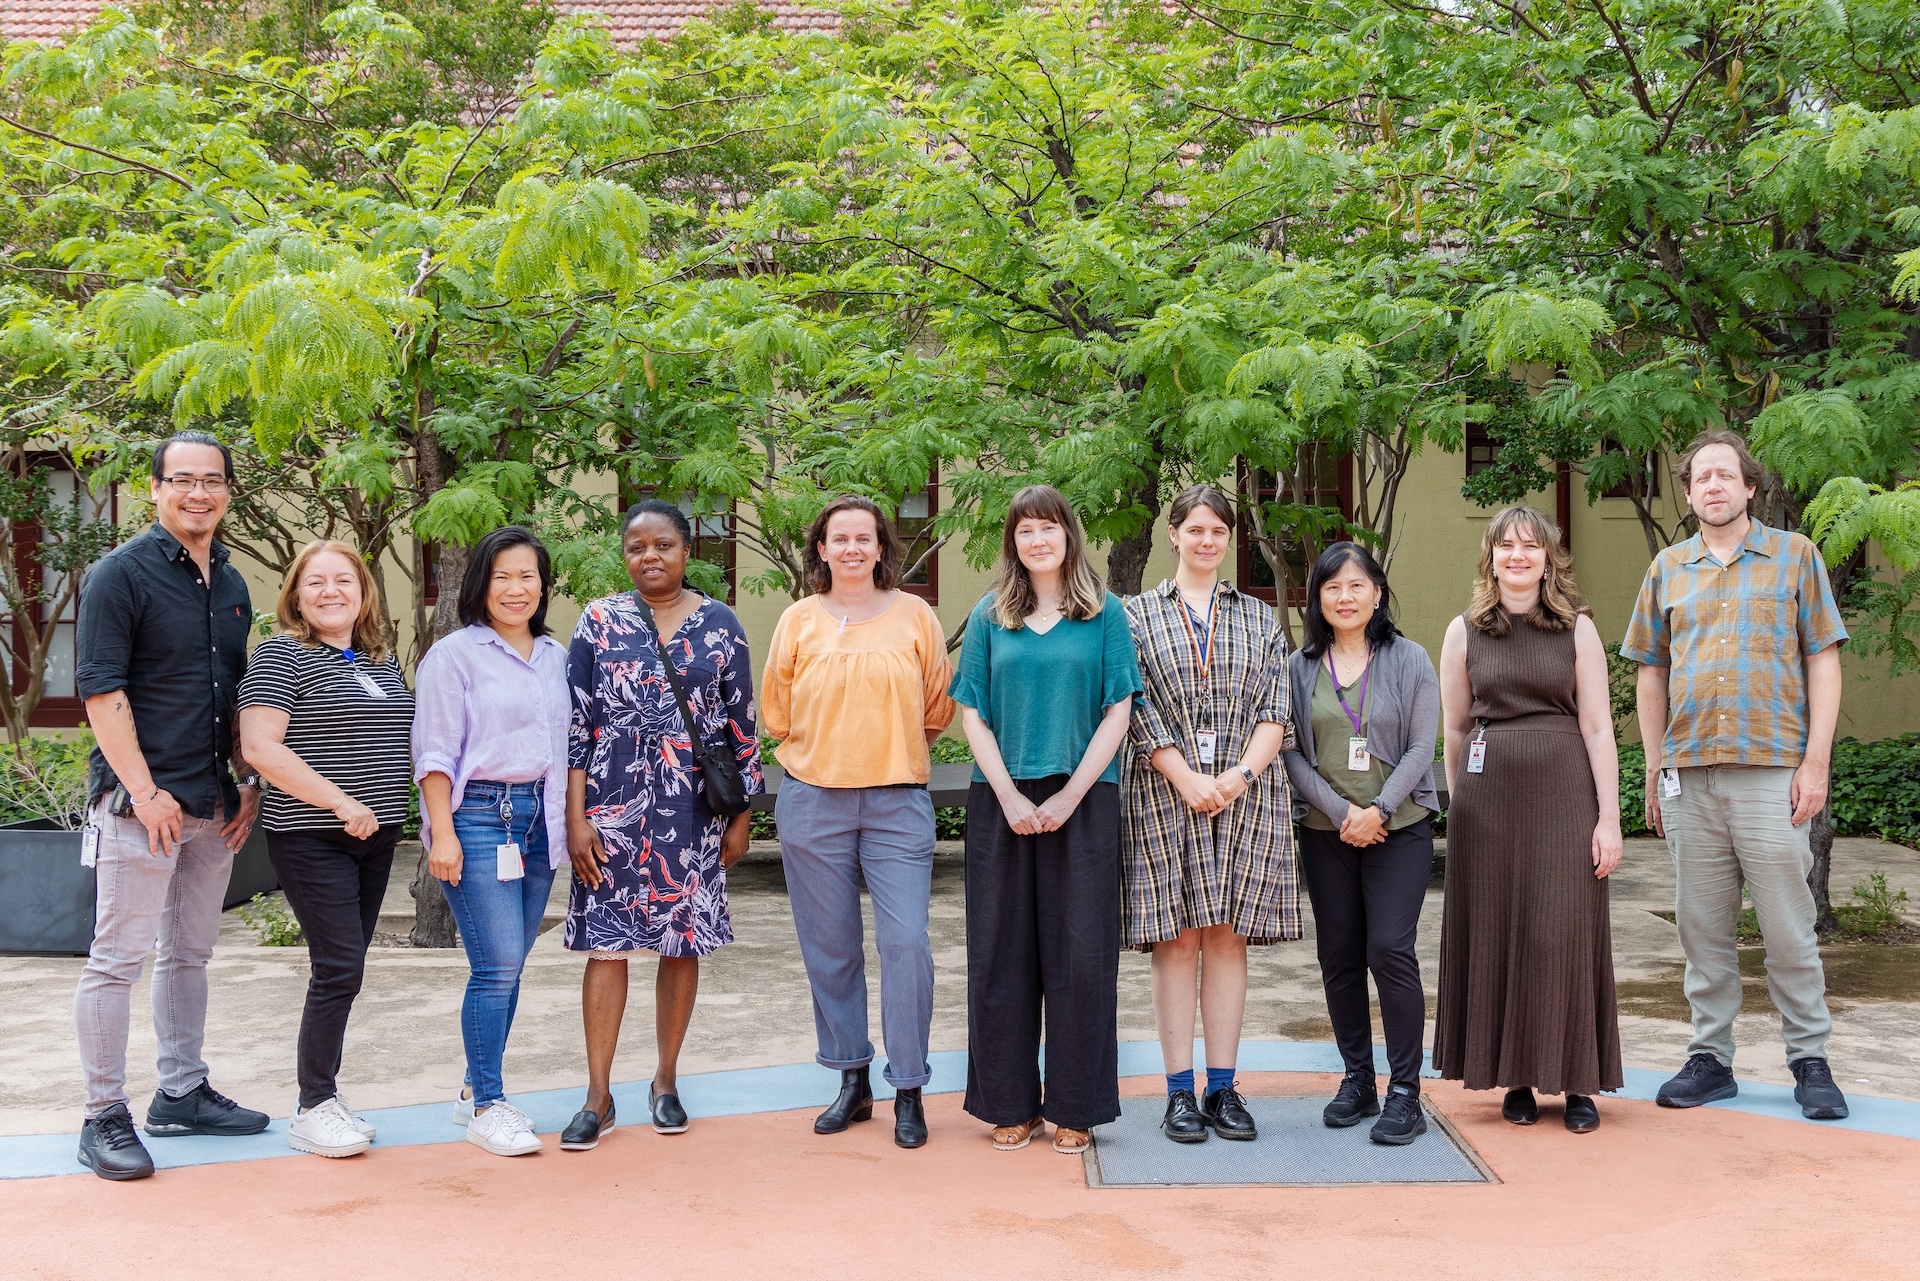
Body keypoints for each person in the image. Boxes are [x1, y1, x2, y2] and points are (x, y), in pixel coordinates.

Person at [1623, 430, 1852, 1121]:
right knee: (1702, 927)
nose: (1714, 486)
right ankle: (1709, 1057)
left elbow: (1824, 660)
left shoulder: (1796, 557)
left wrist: (1816, 763)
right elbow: (1649, 672)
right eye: (1700, 477)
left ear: (1750, 488)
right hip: (1691, 776)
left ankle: (1810, 1059)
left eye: (1727, 475)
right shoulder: (1668, 567)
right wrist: (1655, 762)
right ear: (1689, 493)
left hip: (1772, 775)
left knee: (1788, 925)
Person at [71, 431, 268, 1181]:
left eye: (212, 480)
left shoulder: (231, 580)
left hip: (212, 804)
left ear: (227, 492)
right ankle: (101, 1115)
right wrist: (146, 791)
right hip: (137, 805)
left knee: (190, 952)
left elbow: (237, 694)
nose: (199, 493)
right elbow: (101, 690)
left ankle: (181, 1092)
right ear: (155, 488)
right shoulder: (118, 574)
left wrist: (245, 780)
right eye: (182, 479)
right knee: (116, 961)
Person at [562, 502, 762, 1148]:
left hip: (692, 810)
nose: (650, 555)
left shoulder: (721, 626)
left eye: (664, 544)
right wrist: (576, 818)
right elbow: (576, 727)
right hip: (610, 810)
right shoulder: (598, 622)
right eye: (636, 546)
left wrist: (741, 817)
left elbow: (742, 730)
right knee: (606, 947)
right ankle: (598, 1094)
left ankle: (666, 1081)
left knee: (681, 942)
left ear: (685, 550)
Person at [950, 486, 1141, 1155]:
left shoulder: (1105, 613)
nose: (1038, 540)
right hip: (1001, 800)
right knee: (1002, 956)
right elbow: (970, 711)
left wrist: (1067, 796)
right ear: (1013, 541)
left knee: (1081, 958)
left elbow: (1119, 708)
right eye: (1026, 530)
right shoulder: (988, 616)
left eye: (1049, 528)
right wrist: (1007, 796)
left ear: (1069, 536)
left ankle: (1075, 1105)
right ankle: (1010, 1102)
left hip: (1083, 800)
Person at [763, 494, 956, 1149]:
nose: (851, 548)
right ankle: (851, 1078)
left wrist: (884, 745)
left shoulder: (915, 616)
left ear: (880, 548)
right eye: (838, 538)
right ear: (821, 548)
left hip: (897, 801)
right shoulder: (797, 620)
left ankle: (909, 1084)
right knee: (831, 949)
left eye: (863, 538)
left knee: (907, 946)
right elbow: (778, 713)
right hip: (813, 800)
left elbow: (936, 705)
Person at [1434, 504, 1623, 1133]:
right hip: (1488, 805)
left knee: (1561, 929)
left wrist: (1609, 819)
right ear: (1489, 558)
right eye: (1506, 546)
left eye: (1531, 547)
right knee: (1498, 932)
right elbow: (1456, 728)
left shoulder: (1577, 629)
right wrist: (1463, 804)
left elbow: (1598, 726)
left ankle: (1576, 1082)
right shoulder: (1463, 631)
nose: (1518, 556)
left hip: (1566, 793)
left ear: (1549, 559)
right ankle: (1513, 1074)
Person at [1122, 484, 1297, 1145]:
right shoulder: (1136, 616)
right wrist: (1186, 776)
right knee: (1176, 937)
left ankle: (1223, 1086)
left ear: (1229, 539)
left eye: (1218, 532)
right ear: (1174, 533)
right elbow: (1134, 704)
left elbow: (1275, 710)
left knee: (1226, 934)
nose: (1206, 540)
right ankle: (1177, 1093)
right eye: (1194, 529)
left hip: (1244, 792)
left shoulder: (1256, 619)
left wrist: (1238, 775)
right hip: (1166, 790)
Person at [238, 541, 414, 1159]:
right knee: (337, 968)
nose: (331, 591)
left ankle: (327, 1098)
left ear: (363, 592)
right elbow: (261, 747)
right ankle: (313, 1105)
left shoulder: (378, 661)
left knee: (349, 970)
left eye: (344, 580)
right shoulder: (280, 656)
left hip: (377, 837)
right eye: (316, 582)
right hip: (314, 838)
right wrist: (340, 801)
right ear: (295, 594)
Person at [414, 525, 574, 1158]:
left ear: (543, 585)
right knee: (497, 965)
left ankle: (472, 1088)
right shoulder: (452, 656)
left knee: (512, 967)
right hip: (478, 817)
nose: (516, 589)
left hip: (540, 820)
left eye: (528, 576)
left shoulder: (557, 657)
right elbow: (433, 754)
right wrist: (443, 834)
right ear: (481, 583)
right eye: (503, 576)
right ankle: (489, 1104)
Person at [1282, 542, 1440, 1146]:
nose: (1344, 598)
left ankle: (1406, 1092)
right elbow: (1292, 750)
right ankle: (1358, 1080)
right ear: (1317, 599)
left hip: (1398, 831)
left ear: (1377, 592)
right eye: (1332, 588)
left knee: (1390, 950)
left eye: (1356, 586)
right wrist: (1342, 810)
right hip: (1326, 833)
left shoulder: (1411, 659)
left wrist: (1376, 810)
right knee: (1340, 956)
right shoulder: (1300, 667)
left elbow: (1422, 748)